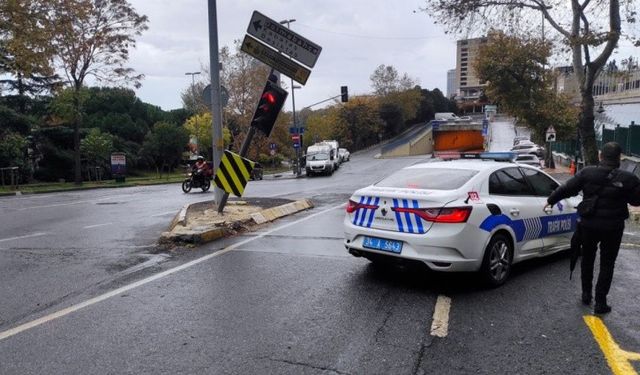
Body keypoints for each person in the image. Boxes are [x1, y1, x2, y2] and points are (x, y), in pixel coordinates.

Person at [545, 142, 640, 314]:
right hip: (613, 227)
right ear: (619, 158)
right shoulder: (629, 178)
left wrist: (551, 200)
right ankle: (601, 302)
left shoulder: (587, 173)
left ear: (600, 156)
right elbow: (636, 201)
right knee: (607, 263)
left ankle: (586, 294)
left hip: (588, 225)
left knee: (588, 258)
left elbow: (567, 189)